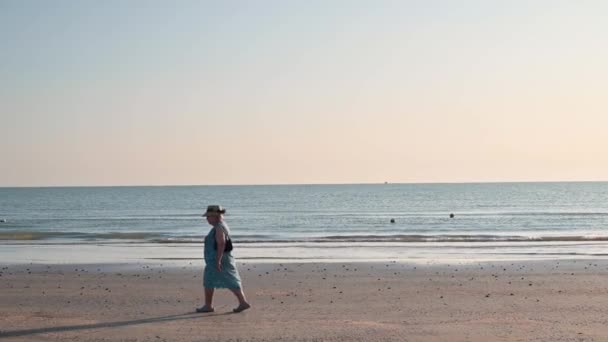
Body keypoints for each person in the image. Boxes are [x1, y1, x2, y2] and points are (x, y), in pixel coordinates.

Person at [196, 205, 251, 313]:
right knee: (223, 280)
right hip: (221, 258)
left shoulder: (218, 227)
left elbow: (221, 243)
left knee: (211, 280)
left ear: (215, 216)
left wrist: (218, 260)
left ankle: (209, 306)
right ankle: (241, 302)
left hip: (218, 259)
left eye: (208, 216)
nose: (207, 219)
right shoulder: (221, 225)